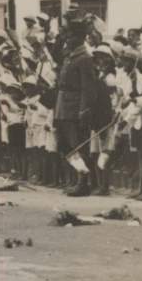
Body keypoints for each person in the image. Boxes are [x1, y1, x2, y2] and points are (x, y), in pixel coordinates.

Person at [53, 16, 98, 197]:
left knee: (78, 145)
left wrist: (84, 109)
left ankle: (83, 182)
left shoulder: (85, 58)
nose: (66, 39)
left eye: (70, 36)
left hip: (74, 107)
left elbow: (88, 87)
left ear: (79, 38)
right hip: (63, 105)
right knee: (65, 145)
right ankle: (76, 178)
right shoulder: (69, 56)